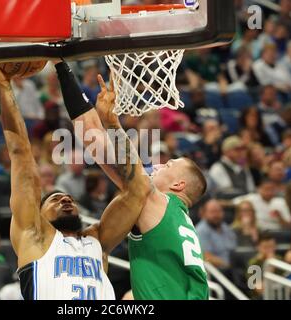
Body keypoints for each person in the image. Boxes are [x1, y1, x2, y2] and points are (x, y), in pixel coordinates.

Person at [0, 62, 152, 300]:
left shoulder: (98, 238)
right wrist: (4, 86)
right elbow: (21, 154)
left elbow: (138, 189)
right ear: (39, 214)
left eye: (67, 197)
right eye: (55, 199)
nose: (65, 198)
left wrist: (111, 124)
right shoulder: (34, 235)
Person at [55, 61, 209, 300]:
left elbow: (95, 142)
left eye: (167, 165)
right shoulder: (180, 221)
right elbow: (96, 142)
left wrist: (112, 122)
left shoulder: (157, 202)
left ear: (178, 185)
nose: (157, 166)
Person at [196, 199, 237, 270]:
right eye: (213, 212)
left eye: (219, 211)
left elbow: (234, 249)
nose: (216, 215)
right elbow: (206, 256)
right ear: (204, 214)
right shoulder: (201, 230)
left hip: (234, 268)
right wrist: (228, 265)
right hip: (217, 272)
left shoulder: (225, 227)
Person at [246, 233, 280, 299]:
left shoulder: (279, 260)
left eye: (271, 247)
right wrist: (270, 268)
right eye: (265, 247)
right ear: (258, 248)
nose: (269, 251)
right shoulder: (253, 264)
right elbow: (261, 290)